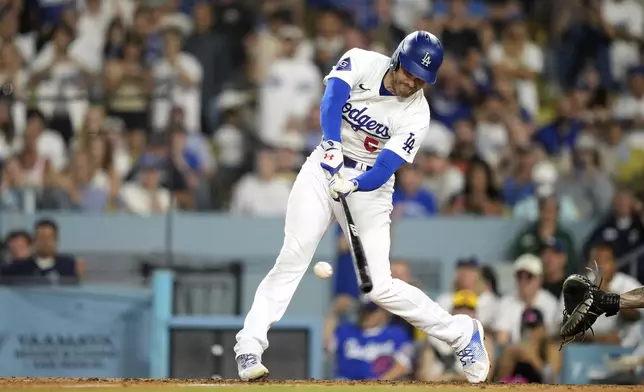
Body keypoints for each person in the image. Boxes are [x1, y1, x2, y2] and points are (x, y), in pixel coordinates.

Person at [233, 31, 490, 384]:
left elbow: (384, 168)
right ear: (398, 58)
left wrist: (354, 183)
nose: (412, 82)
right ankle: (249, 343)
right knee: (293, 254)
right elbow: (332, 99)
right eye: (409, 72)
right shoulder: (363, 60)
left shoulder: (418, 115)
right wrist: (331, 145)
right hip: (324, 166)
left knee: (379, 287)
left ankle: (462, 334)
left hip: (370, 186)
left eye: (421, 79)